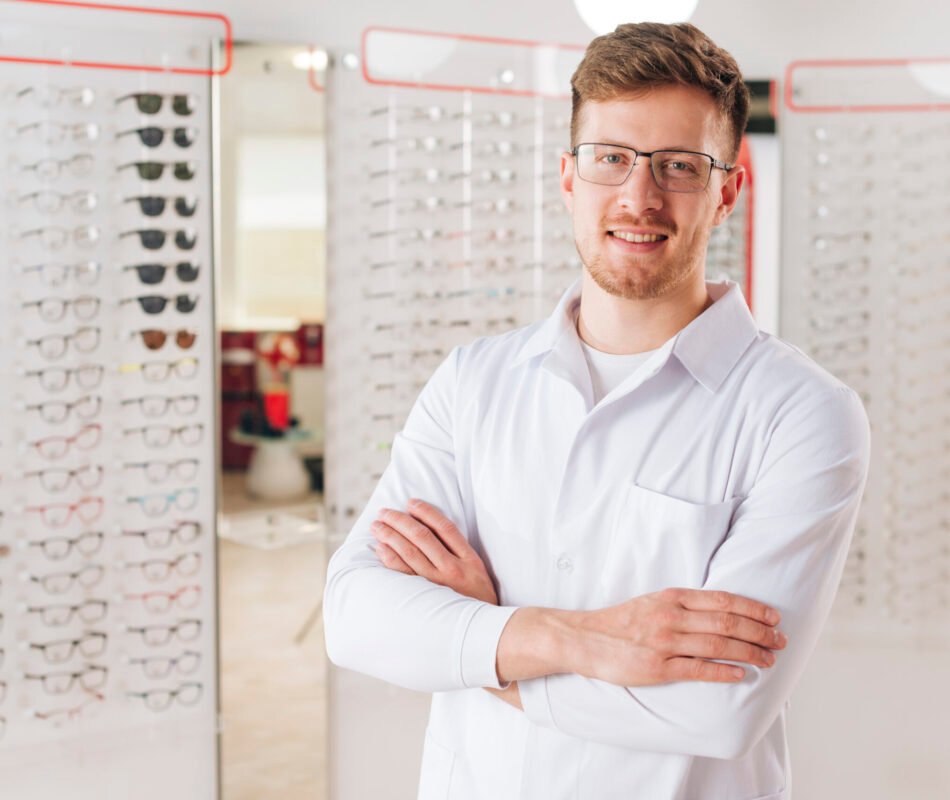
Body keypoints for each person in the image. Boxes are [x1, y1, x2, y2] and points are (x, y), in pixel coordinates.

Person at [323, 21, 870, 800]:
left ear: (726, 191)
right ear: (569, 178)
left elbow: (718, 710)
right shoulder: (473, 382)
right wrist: (573, 638)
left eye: (679, 165)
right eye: (610, 157)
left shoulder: (804, 414)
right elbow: (355, 613)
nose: (638, 197)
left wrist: (478, 637)